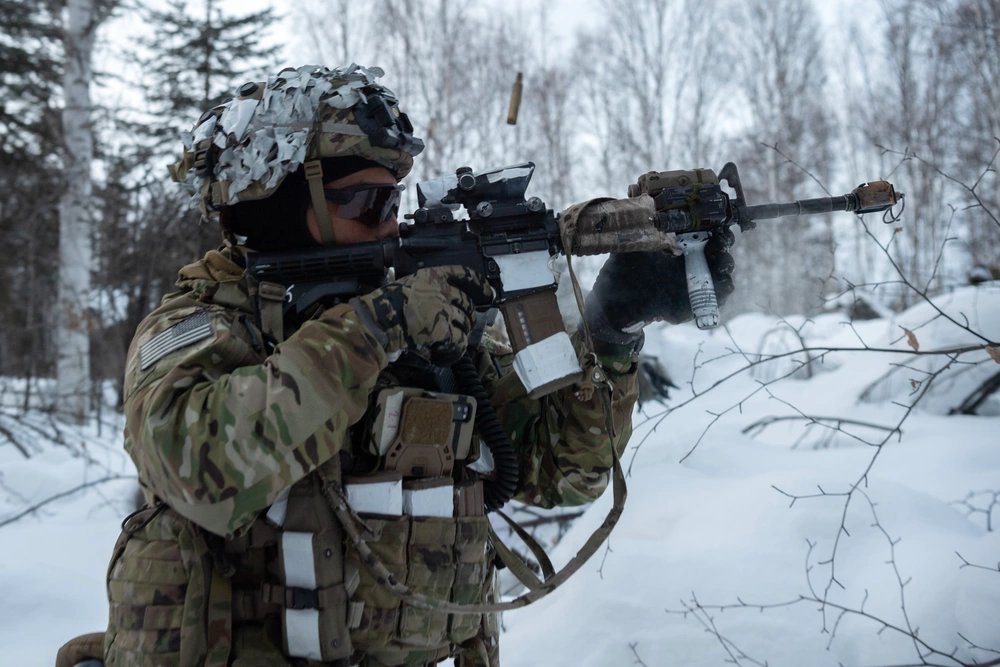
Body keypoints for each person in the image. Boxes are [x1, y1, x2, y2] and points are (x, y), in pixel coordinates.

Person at [90, 64, 734, 667]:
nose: (389, 227)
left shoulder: (423, 325)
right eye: (367, 205)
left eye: (393, 204)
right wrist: (378, 326)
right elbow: (197, 468)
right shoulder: (203, 326)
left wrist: (611, 330)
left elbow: (561, 474)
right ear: (280, 201)